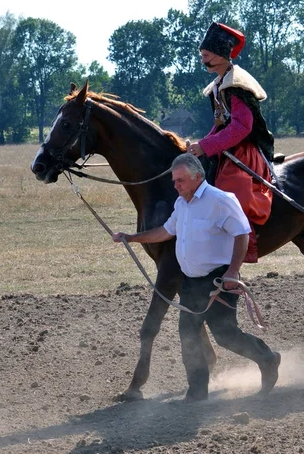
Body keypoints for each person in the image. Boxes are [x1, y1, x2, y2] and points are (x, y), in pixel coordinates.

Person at [112, 153, 281, 402]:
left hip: (218, 281)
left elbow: (242, 234)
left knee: (225, 335)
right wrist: (131, 237)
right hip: (190, 282)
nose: (175, 185)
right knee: (188, 335)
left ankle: (268, 359)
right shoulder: (182, 204)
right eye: (174, 181)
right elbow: (166, 231)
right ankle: (197, 393)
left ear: (197, 177)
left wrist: (232, 272)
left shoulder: (221, 200)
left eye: (180, 180)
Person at [187, 22, 275, 264]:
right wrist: (201, 145)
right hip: (226, 149)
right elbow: (221, 124)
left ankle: (247, 243)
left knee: (231, 188)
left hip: (244, 151)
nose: (202, 59)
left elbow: (241, 127)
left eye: (206, 55)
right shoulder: (218, 84)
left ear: (219, 55)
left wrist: (207, 146)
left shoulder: (236, 84)